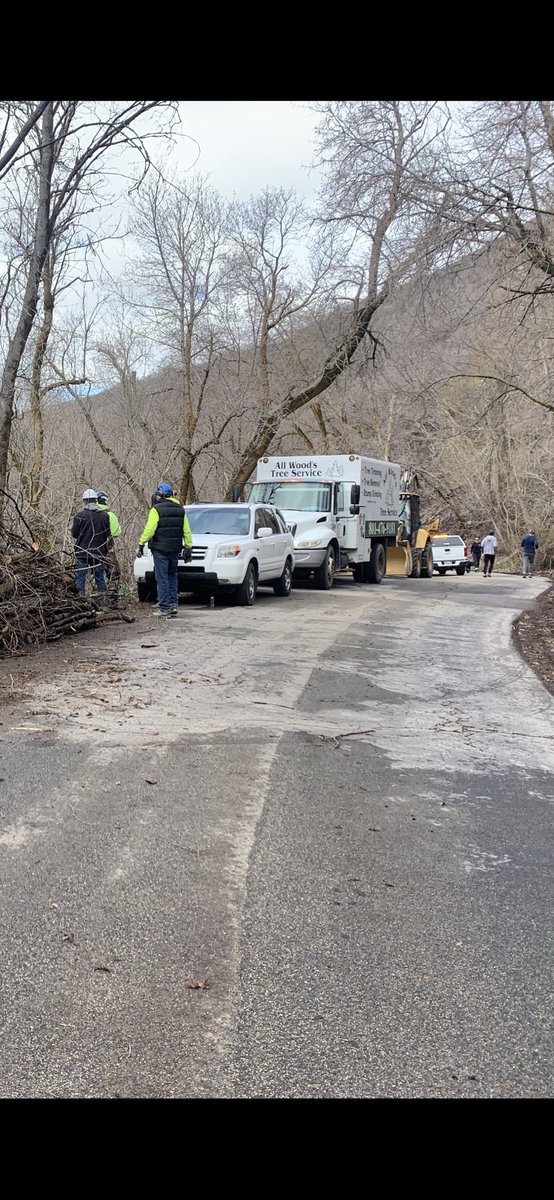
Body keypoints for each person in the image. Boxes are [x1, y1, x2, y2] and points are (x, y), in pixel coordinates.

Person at [137, 483, 193, 617]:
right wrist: (188, 547)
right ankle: (173, 604)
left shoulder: (156, 509)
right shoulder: (180, 509)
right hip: (175, 548)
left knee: (161, 578)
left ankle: (164, 607)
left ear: (161, 495)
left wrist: (141, 543)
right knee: (172, 576)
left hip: (160, 548)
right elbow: (186, 530)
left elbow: (150, 529)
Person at [71, 489, 110, 595]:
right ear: (96, 500)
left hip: (82, 551)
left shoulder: (79, 516)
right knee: (100, 577)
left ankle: (81, 600)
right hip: (99, 552)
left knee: (80, 577)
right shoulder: (105, 516)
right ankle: (103, 600)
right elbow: (107, 534)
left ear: (84, 501)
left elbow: (74, 534)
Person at [96, 490, 122, 606]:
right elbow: (117, 532)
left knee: (96, 574)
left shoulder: (91, 514)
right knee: (113, 574)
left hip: (93, 551)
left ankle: (97, 601)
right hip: (108, 550)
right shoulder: (110, 515)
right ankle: (112, 602)